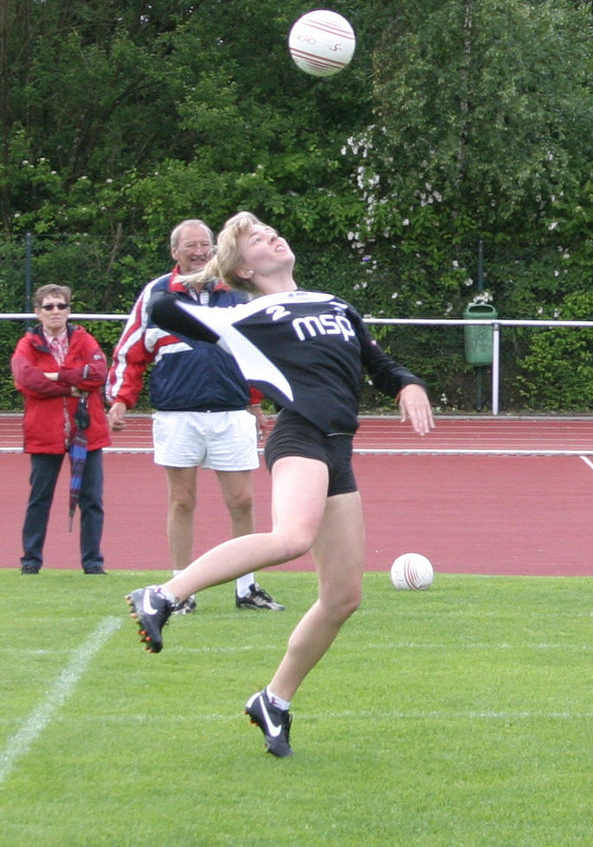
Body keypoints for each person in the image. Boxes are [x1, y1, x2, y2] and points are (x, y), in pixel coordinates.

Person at [126, 211, 434, 757]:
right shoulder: (245, 316)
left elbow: (378, 364)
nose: (271, 236)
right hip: (300, 437)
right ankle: (164, 594)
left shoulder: (336, 304)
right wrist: (204, 273)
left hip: (338, 447)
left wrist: (408, 385)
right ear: (243, 267)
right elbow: (161, 307)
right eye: (254, 239)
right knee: (291, 537)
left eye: (270, 230)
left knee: (343, 598)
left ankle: (274, 700)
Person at [106, 219, 283, 613]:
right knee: (182, 502)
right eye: (191, 246)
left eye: (206, 245)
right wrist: (120, 399)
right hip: (177, 415)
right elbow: (131, 352)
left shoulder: (237, 291)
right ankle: (180, 591)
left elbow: (255, 351)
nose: (200, 252)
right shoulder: (156, 293)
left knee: (241, 501)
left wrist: (256, 402)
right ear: (175, 252)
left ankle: (246, 587)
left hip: (231, 412)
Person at [12, 285, 110, 574]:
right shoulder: (27, 344)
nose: (55, 311)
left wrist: (55, 376)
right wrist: (74, 385)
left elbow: (98, 374)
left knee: (92, 500)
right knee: (39, 499)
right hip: (44, 432)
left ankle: (92, 562)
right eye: (49, 306)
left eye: (61, 306)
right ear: (38, 312)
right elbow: (27, 380)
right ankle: (31, 561)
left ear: (69, 310)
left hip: (86, 431)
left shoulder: (85, 340)